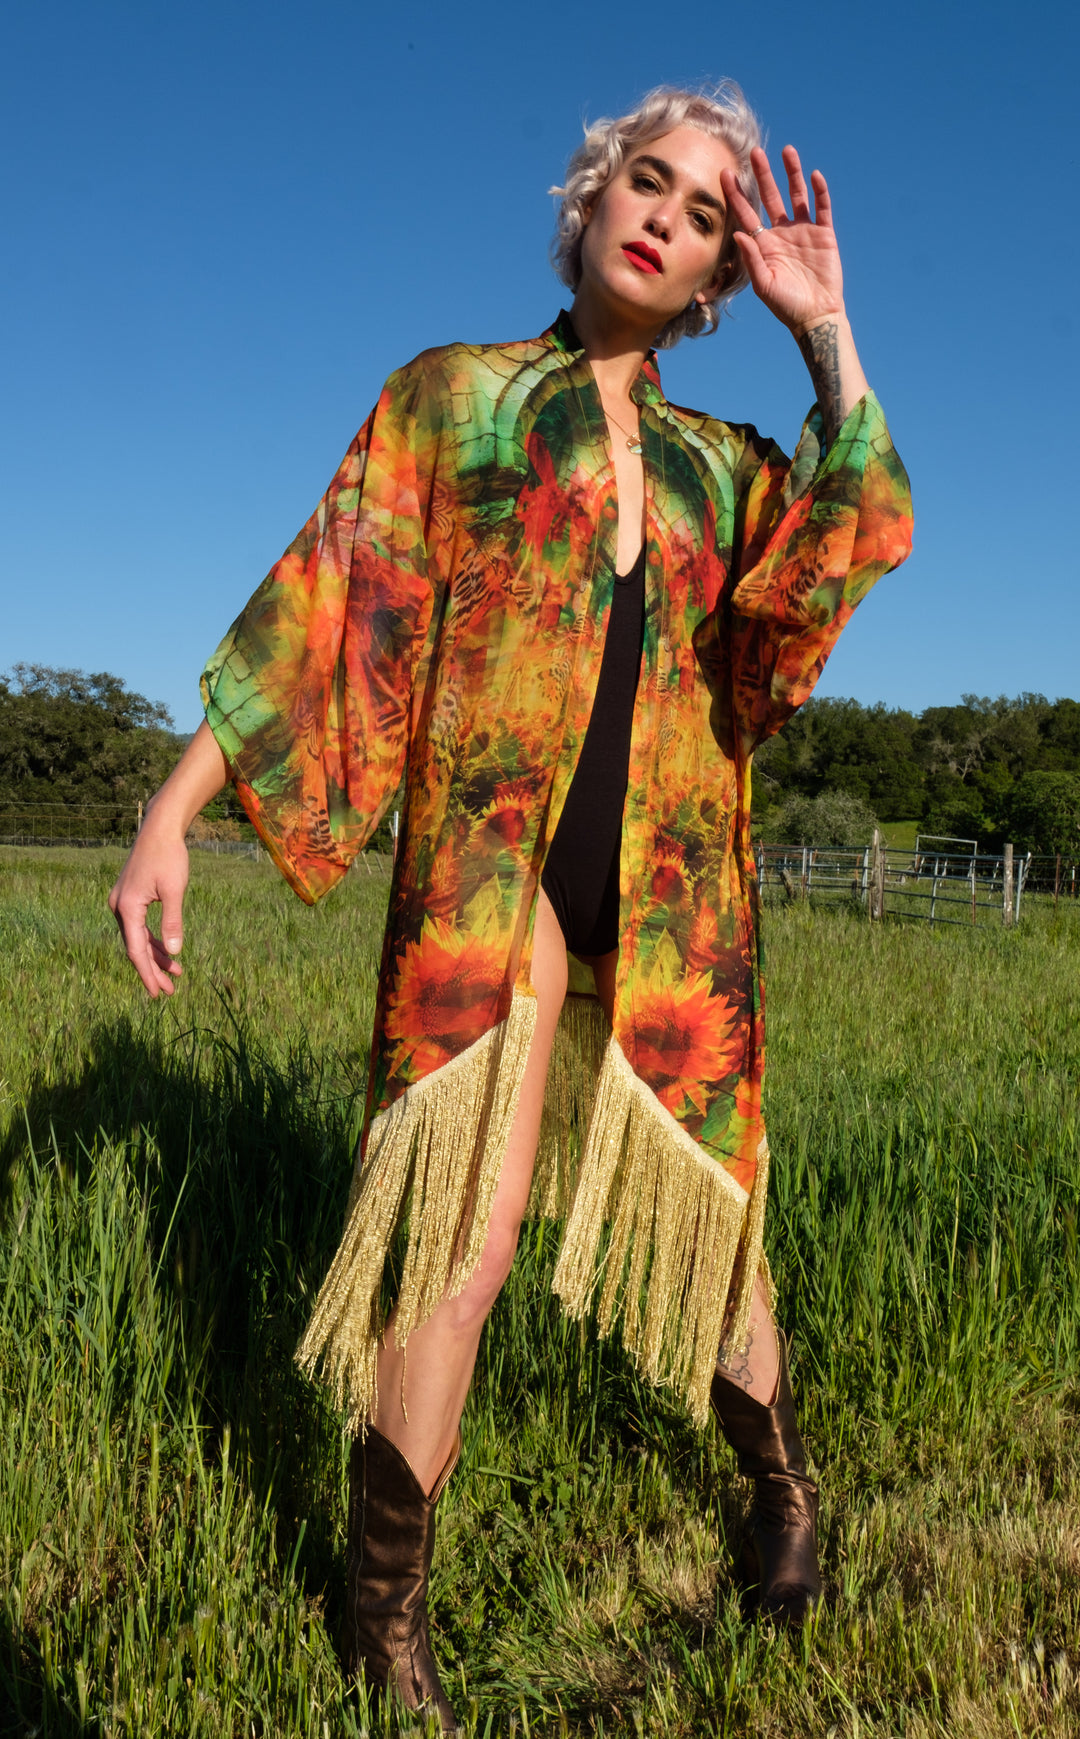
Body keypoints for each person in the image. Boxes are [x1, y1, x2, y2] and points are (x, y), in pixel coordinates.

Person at [110, 82, 912, 1732]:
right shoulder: (456, 399)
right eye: (647, 181)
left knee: (710, 1241)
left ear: (722, 272)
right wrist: (170, 812)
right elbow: (329, 606)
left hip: (676, 897)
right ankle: (382, 1618)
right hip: (495, 887)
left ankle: (783, 1492)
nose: (665, 218)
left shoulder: (727, 465)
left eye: (705, 213)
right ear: (590, 193)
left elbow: (854, 540)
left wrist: (826, 336)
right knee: (458, 1242)